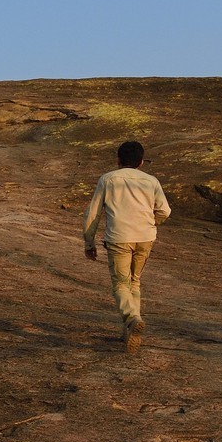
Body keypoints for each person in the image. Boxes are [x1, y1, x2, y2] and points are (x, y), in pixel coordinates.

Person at [82, 140, 171, 352]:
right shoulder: (152, 181)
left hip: (119, 238)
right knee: (135, 281)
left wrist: (89, 241)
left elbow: (93, 213)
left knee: (121, 284)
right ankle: (129, 332)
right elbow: (165, 211)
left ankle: (132, 319)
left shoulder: (108, 179)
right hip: (145, 237)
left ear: (118, 160)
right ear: (141, 162)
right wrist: (151, 222)